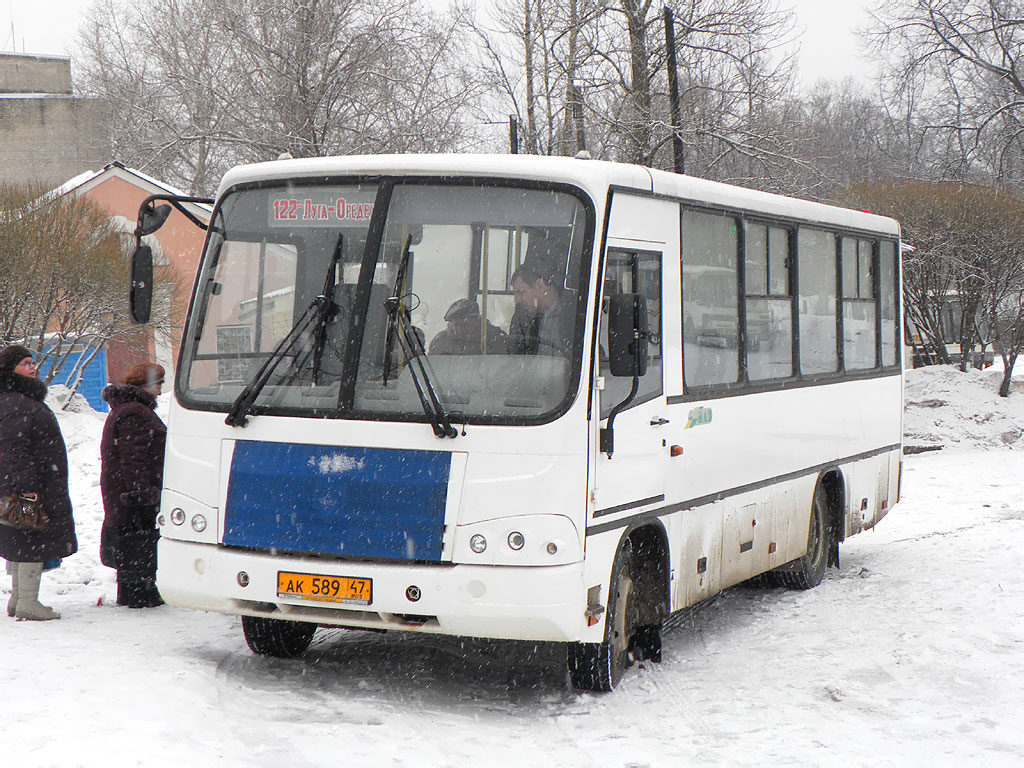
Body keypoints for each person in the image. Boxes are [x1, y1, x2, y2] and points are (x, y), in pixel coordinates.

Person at [0, 344, 77, 621]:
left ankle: (19, 599)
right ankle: (28, 602)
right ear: (11, 369)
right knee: (32, 538)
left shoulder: (15, 399)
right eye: (25, 363)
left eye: (33, 362)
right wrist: (27, 488)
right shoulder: (17, 402)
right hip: (30, 485)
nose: (32, 368)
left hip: (25, 483)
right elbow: (14, 448)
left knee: (21, 537)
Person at [100, 362, 167, 608]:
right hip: (131, 492)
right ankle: (141, 593)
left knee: (131, 539)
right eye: (159, 382)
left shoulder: (126, 409)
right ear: (146, 385)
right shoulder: (135, 413)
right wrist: (141, 491)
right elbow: (134, 456)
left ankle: (132, 591)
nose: (161, 387)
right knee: (138, 539)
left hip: (122, 490)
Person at [507, 263, 574, 356]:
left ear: (540, 285)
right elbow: (514, 356)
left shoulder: (575, 314)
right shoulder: (522, 318)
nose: (517, 300)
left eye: (522, 292)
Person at [428, 298, 509, 356]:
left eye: (464, 325)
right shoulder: (440, 341)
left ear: (476, 322)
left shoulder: (493, 339)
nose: (458, 330)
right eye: (456, 325)